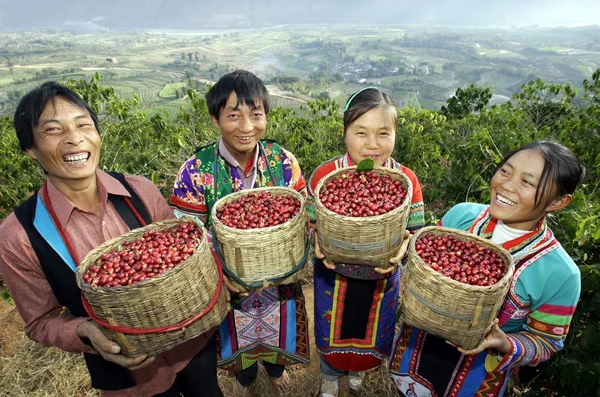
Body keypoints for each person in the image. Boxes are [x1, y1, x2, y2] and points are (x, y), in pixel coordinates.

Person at [0, 82, 222, 397]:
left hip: (190, 341)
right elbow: (40, 322)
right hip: (131, 377)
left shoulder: (139, 191)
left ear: (97, 133)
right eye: (53, 130)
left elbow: (183, 251)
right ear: (30, 149)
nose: (74, 138)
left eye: (83, 125)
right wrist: (86, 331)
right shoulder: (20, 235)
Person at [389, 141, 585, 397]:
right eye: (505, 171)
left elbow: (547, 342)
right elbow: (424, 269)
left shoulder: (560, 274)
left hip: (476, 379)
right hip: (415, 352)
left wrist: (506, 343)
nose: (507, 185)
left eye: (527, 182)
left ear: (558, 202)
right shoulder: (461, 217)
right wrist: (405, 255)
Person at [170, 70, 309, 396]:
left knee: (279, 331)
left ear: (266, 117)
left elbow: (302, 211)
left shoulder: (283, 161)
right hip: (227, 281)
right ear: (216, 119)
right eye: (234, 115)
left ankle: (276, 369)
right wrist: (218, 271)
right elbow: (186, 232)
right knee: (234, 339)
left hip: (279, 277)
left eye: (256, 115)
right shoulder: (196, 170)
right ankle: (245, 378)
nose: (246, 126)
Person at [308, 87, 425, 397]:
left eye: (383, 133)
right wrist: (314, 239)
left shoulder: (407, 181)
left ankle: (358, 371)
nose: (373, 144)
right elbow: (308, 223)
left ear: (396, 135)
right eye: (361, 132)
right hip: (333, 278)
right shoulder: (325, 176)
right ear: (345, 133)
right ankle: (330, 376)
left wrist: (404, 248)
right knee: (330, 329)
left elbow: (415, 230)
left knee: (372, 331)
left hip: (381, 281)